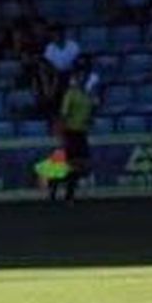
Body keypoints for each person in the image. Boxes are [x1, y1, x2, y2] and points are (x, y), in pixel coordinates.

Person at [51, 69, 94, 203]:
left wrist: (89, 120)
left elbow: (88, 114)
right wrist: (61, 134)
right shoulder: (70, 94)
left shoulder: (87, 95)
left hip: (82, 132)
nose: (82, 79)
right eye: (80, 77)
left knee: (83, 165)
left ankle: (56, 182)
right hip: (71, 132)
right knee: (73, 164)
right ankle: (68, 194)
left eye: (84, 77)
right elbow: (63, 114)